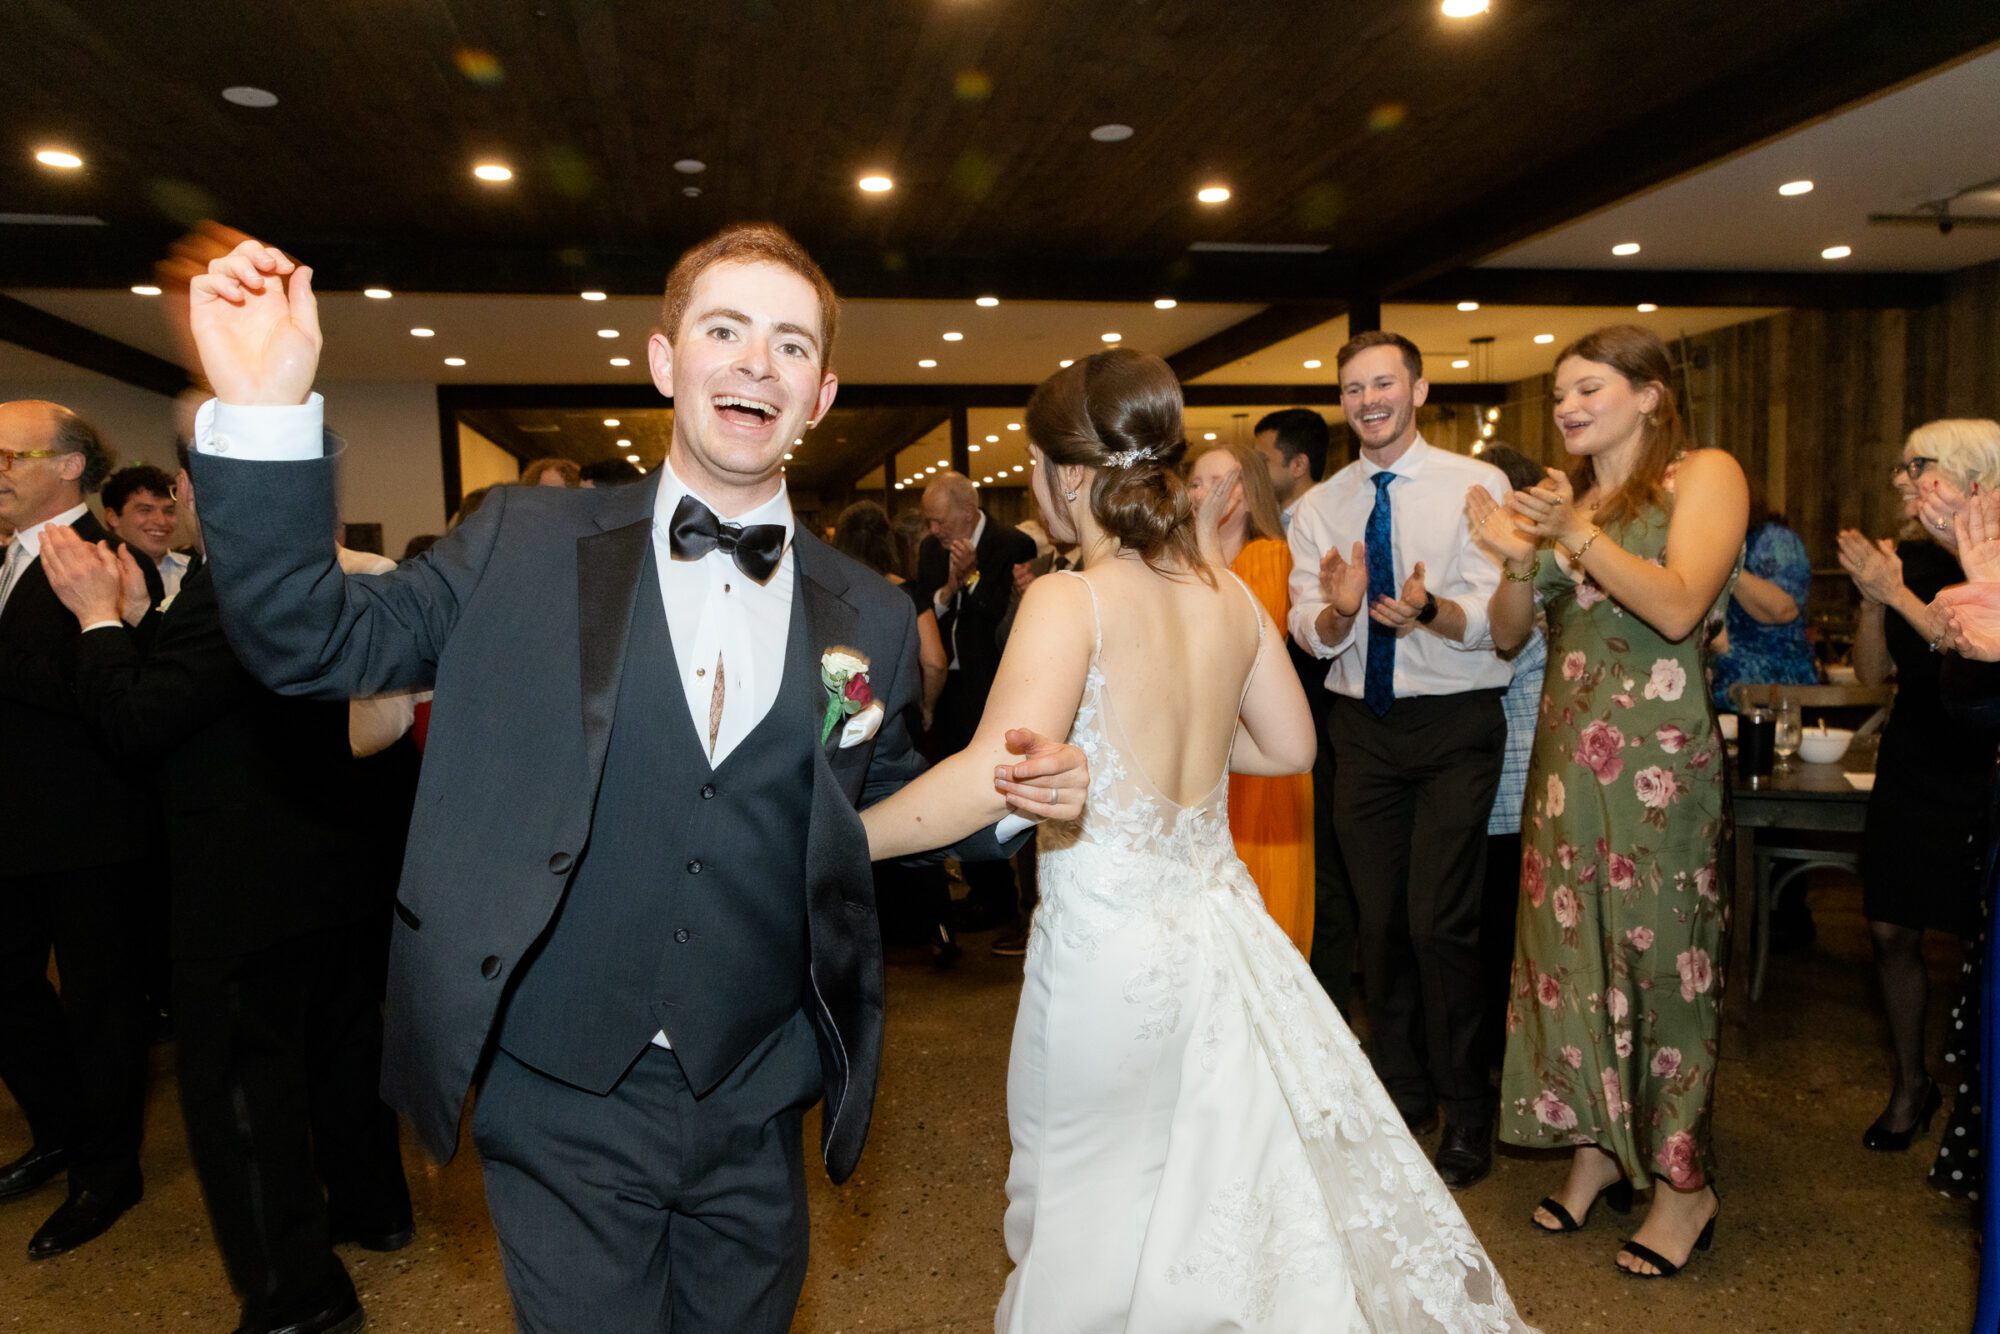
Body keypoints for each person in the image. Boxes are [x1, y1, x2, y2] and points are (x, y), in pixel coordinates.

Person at [175, 225, 1086, 1333]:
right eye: (724, 329)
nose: (756, 360)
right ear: (665, 363)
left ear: (819, 393)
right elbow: (305, 639)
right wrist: (266, 413)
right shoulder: (518, 539)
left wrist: (1009, 806)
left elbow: (872, 798)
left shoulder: (870, 616)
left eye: (789, 344)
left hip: (753, 1087)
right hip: (560, 1078)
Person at [860, 347, 1530, 1332]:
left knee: (1094, 1212)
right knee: (1207, 1201)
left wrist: (836, 833)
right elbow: (1291, 745)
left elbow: (980, 778)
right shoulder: (1222, 596)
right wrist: (1174, 776)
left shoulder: (1068, 596)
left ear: (1071, 475)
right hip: (1221, 941)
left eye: (1038, 466)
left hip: (1106, 955)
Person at [40, 454, 413, 1334]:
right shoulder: (301, 576)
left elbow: (139, 724)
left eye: (186, 486)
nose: (176, 501)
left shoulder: (230, 589)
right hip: (320, 866)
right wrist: (138, 625)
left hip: (243, 887)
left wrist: (98, 622)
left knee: (242, 1100)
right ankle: (375, 1210)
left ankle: (297, 1296)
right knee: (338, 1055)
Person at [1469, 324, 1747, 1278]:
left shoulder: (1702, 475)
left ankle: (1682, 1188)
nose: (1569, 407)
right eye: (1559, 396)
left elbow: (1676, 606)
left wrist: (1571, 535)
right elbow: (1510, 637)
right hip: (1564, 776)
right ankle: (1592, 1152)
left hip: (1657, 776)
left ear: (1650, 394)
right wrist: (1512, 555)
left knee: (1665, 970)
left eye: (1589, 388)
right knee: (1570, 965)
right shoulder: (1574, 502)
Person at [1288, 331, 1513, 1188]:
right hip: (1364, 730)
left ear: (1419, 390)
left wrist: (1429, 611)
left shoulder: (1475, 486)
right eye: (1353, 388)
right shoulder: (1322, 507)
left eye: (1385, 383)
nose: (1369, 400)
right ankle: (1403, 1092)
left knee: (1439, 921)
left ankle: (1468, 1110)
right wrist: (1343, 614)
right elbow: (1308, 629)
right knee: (1377, 924)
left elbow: (1499, 619)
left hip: (1455, 718)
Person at [0, 399, 163, 1260]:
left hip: (90, 830)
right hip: (11, 827)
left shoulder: (112, 561)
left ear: (68, 465)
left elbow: (104, 692)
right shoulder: (5, 560)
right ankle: (60, 1129)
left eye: (8, 452)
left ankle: (108, 1171)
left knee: (102, 1006)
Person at [1836, 419, 2000, 1171]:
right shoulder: (1901, 561)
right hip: (1915, 755)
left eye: (1919, 466)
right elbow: (1876, 674)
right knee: (1891, 927)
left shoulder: (1988, 569)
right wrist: (1873, 599)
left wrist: (1893, 590)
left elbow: (1967, 653)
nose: (1901, 480)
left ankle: (1979, 1100)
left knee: (1976, 940)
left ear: (1974, 481)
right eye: (1900, 466)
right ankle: (1912, 1085)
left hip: (1979, 764)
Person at [1186, 441, 1314, 953]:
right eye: (1196, 481)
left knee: (1266, 915)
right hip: (1201, 755)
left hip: (1261, 754)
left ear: (1248, 491)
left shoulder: (1271, 556)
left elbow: (1240, 645)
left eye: (1220, 480)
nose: (1205, 492)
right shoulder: (1178, 566)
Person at [833, 500, 958, 965]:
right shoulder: (907, 592)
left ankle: (866, 933)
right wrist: (925, 707)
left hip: (841, 719)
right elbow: (934, 660)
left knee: (850, 822)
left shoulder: (828, 589)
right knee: (912, 814)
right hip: (895, 719)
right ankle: (940, 929)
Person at [914, 471, 1039, 931]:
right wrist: (951, 582)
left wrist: (970, 576)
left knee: (994, 789)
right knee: (954, 789)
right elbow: (928, 608)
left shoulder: (1012, 545)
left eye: (939, 521)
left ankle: (1006, 898)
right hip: (946, 687)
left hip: (992, 689)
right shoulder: (931, 551)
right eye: (929, 522)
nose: (934, 531)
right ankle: (983, 892)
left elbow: (990, 614)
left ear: (967, 514)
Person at [1470, 443, 1552, 1071]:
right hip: (1497, 777)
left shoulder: (1536, 571)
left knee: (1514, 930)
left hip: (1524, 774)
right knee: (1497, 928)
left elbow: (1505, 646)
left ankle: (1515, 1059)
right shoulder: (1499, 568)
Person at [1709, 480, 1816, 708]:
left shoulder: (1773, 539)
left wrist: (1724, 559)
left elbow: (1783, 610)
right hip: (1716, 687)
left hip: (1773, 690)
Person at [101, 463, 193, 598]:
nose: (161, 521)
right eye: (145, 510)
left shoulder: (194, 572)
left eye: (169, 511)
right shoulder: (93, 576)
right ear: (113, 517)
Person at [1252, 406, 1331, 532]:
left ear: (1298, 465)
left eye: (1263, 460)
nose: (1255, 469)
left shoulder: (1328, 524)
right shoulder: (1270, 522)